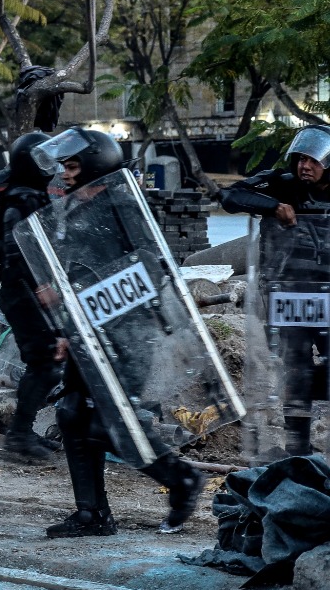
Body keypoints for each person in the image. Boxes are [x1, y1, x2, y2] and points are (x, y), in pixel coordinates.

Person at [26, 129, 203, 538]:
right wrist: (69, 325)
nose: (65, 174)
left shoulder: (122, 204)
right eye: (65, 166)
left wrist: (78, 292)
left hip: (128, 336)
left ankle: (181, 479)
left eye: (72, 166)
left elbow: (148, 264)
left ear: (94, 166)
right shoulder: (74, 209)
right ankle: (92, 514)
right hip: (89, 333)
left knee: (111, 423)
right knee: (71, 414)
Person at [219, 127, 330, 456]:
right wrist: (272, 206)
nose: (304, 166)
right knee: (294, 369)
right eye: (301, 159)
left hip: (329, 295)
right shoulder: (283, 183)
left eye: (312, 160)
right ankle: (298, 449)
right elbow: (231, 197)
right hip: (289, 295)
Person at [0, 132, 67, 458]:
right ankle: (19, 436)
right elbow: (13, 251)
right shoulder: (22, 201)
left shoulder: (27, 195)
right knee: (46, 363)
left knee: (44, 363)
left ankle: (23, 432)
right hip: (25, 295)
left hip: (27, 293)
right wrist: (40, 286)